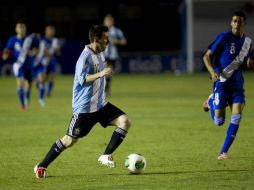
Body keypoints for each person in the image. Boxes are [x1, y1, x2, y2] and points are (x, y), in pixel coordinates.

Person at [34, 25, 131, 179]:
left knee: (124, 121)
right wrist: (102, 73)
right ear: (95, 39)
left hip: (100, 104)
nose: (108, 42)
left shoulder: (100, 53)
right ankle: (41, 166)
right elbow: (83, 79)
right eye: (105, 39)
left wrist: (103, 73)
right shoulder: (84, 57)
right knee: (69, 141)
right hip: (84, 109)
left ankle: (105, 155)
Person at [202, 11, 253, 160]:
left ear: (244, 24)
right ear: (231, 23)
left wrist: (249, 62)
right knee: (219, 121)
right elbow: (206, 56)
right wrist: (212, 72)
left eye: (240, 21)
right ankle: (210, 102)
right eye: (234, 21)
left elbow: (246, 59)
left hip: (237, 86)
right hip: (222, 83)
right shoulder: (224, 38)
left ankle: (223, 152)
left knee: (237, 115)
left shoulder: (248, 43)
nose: (237, 24)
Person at [2, 21, 38, 111]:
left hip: (29, 64)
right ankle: (23, 105)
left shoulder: (30, 38)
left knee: (29, 85)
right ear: (16, 29)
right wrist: (5, 54)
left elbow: (36, 48)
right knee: (21, 82)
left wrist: (33, 52)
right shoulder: (13, 39)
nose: (21, 29)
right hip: (18, 64)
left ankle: (27, 99)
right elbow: (7, 50)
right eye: (19, 27)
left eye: (23, 27)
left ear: (25, 29)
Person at [103, 14, 127, 97]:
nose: (108, 22)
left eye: (110, 21)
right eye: (106, 21)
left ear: (112, 22)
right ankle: (105, 90)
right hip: (103, 55)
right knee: (106, 72)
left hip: (113, 55)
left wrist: (116, 41)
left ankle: (107, 89)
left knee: (108, 73)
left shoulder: (117, 31)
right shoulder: (101, 31)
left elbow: (124, 41)